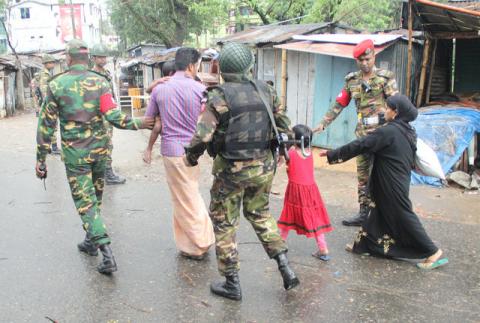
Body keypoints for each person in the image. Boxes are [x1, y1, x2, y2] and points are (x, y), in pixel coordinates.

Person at [184, 42, 299, 301]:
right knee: (260, 214)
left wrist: (190, 157)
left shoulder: (219, 96)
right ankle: (285, 267)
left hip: (231, 171)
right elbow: (285, 126)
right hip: (263, 167)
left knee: (224, 223)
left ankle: (232, 283)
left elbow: (202, 137)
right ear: (249, 67)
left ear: (222, 69)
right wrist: (282, 152)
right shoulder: (267, 91)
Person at [35, 39, 154, 274]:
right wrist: (140, 123)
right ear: (88, 58)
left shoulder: (57, 85)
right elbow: (114, 116)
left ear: (68, 59)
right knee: (94, 200)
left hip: (75, 156)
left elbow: (46, 126)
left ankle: (106, 253)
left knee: (86, 204)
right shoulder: (100, 82)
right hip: (100, 152)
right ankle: (90, 241)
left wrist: (40, 159)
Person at [319, 94, 448, 270]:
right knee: (377, 209)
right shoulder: (406, 130)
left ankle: (432, 251)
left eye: (388, 108)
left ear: (396, 112)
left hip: (392, 183)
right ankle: (364, 246)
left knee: (403, 214)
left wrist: (332, 155)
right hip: (395, 179)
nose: (384, 111)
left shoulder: (389, 131)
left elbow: (361, 144)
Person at [313, 39, 399, 227]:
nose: (365, 63)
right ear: (356, 61)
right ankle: (363, 214)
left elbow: (396, 104)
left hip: (383, 136)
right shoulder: (352, 81)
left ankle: (385, 216)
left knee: (384, 176)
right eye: (361, 60)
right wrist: (323, 123)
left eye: (367, 59)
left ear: (373, 56)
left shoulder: (385, 78)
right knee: (363, 177)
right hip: (363, 136)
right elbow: (340, 103)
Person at [144, 48, 215, 260]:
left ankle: (200, 243)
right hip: (193, 150)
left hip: (171, 150)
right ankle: (189, 244)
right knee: (186, 194)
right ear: (192, 66)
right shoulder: (199, 89)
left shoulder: (160, 89)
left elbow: (149, 121)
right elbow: (208, 121)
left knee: (185, 197)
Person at [278, 125, 333, 261]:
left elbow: (281, 162)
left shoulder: (290, 153)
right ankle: (323, 248)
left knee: (288, 216)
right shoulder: (309, 153)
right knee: (314, 218)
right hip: (311, 190)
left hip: (295, 191)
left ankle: (279, 246)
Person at [90, 44, 126, 185]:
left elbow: (110, 94)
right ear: (94, 58)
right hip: (98, 114)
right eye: (100, 57)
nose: (103, 59)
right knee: (106, 143)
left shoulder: (106, 73)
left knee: (107, 141)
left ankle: (102, 170)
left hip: (108, 111)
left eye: (104, 57)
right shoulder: (92, 76)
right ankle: (107, 173)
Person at [143, 60, 176, 164]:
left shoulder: (177, 83)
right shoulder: (159, 82)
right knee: (157, 127)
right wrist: (157, 82)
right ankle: (149, 149)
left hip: (169, 109)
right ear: (171, 73)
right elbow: (148, 90)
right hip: (158, 111)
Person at [39, 54, 61, 155]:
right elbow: (44, 91)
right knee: (52, 126)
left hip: (50, 103)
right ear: (46, 64)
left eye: (53, 62)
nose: (53, 64)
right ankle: (53, 147)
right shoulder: (45, 75)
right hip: (48, 104)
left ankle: (49, 147)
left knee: (50, 126)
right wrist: (49, 105)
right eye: (51, 62)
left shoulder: (49, 73)